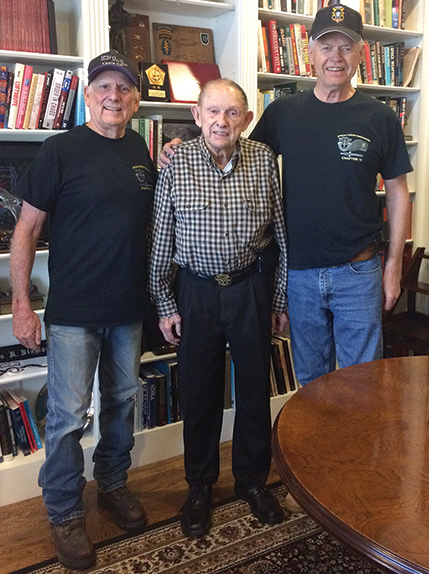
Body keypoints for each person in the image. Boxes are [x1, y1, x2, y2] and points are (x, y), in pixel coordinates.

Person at [159, 5, 412, 388]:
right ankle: (316, 451)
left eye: (346, 47)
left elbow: (397, 193)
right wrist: (183, 146)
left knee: (363, 381)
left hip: (358, 273)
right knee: (311, 382)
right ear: (310, 53)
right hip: (299, 274)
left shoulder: (379, 118)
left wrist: (393, 268)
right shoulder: (284, 113)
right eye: (327, 47)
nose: (336, 57)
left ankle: (356, 451)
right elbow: (233, 150)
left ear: (360, 53)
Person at [10, 50, 158, 571]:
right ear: (87, 93)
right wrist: (23, 303)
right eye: (103, 87)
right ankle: (65, 512)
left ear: (136, 100)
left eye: (123, 88)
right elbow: (25, 231)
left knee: (121, 402)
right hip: (73, 311)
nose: (113, 96)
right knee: (68, 417)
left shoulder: (142, 150)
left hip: (128, 307)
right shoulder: (59, 150)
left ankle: (113, 486)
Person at [149, 78, 288, 538]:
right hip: (196, 294)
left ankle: (252, 482)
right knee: (199, 393)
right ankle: (199, 487)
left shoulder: (264, 161)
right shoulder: (177, 164)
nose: (221, 121)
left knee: (253, 391)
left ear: (246, 119)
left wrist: (279, 297)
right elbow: (160, 238)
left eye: (232, 113)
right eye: (213, 111)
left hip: (250, 290)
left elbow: (282, 237)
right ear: (197, 115)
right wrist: (165, 302)